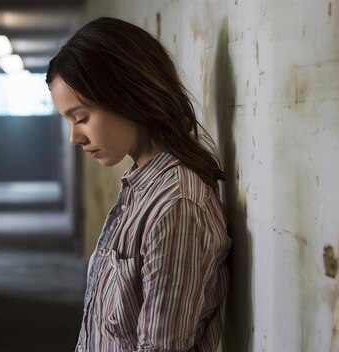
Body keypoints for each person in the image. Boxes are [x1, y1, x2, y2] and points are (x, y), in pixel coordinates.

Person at [46, 17, 232, 352]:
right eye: (69, 121)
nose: (74, 137)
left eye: (82, 117)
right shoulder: (140, 188)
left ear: (127, 95)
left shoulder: (176, 207)